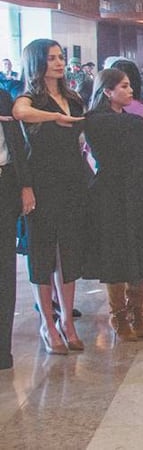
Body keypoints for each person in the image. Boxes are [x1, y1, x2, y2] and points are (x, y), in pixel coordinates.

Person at [13, 39, 89, 354]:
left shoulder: (73, 97)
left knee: (69, 251)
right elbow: (20, 112)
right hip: (42, 181)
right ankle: (48, 322)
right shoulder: (30, 98)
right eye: (51, 58)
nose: (59, 63)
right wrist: (54, 118)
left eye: (60, 57)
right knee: (43, 253)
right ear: (37, 62)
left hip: (73, 180)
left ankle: (67, 322)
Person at [83, 69, 143, 342]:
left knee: (140, 247)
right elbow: (136, 129)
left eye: (130, 86)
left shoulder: (130, 119)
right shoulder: (97, 120)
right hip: (112, 191)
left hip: (139, 187)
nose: (130, 91)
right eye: (123, 86)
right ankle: (118, 314)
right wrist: (140, 122)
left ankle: (137, 311)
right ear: (107, 91)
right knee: (117, 251)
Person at [0, 86, 32, 369]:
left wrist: (24, 184)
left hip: (5, 183)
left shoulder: (2, 95)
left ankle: (2, 350)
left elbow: (17, 143)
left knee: (4, 270)